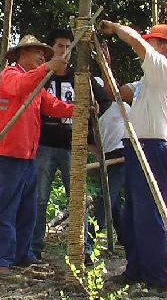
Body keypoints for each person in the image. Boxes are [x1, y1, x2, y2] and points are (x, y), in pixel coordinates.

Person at [100, 21, 167, 298]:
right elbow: (114, 93)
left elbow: (136, 41)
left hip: (153, 149)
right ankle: (135, 271)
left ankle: (160, 281)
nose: (147, 46)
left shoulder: (163, 71)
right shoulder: (145, 82)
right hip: (134, 147)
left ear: (164, 47)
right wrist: (105, 64)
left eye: (153, 41)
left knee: (150, 215)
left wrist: (113, 27)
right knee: (133, 214)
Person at [0, 35, 73, 276]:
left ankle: (22, 253)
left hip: (28, 156)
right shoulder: (11, 75)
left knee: (28, 209)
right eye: (36, 52)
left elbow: (53, 105)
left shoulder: (37, 84)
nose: (41, 57)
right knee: (5, 208)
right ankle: (1, 259)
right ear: (21, 55)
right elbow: (19, 87)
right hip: (9, 155)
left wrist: (79, 109)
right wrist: (47, 67)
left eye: (43, 54)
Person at [31, 29, 110, 261]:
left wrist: (94, 112)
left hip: (72, 147)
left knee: (78, 198)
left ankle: (83, 247)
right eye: (59, 46)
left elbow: (104, 98)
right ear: (51, 49)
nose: (64, 51)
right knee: (40, 198)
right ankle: (35, 247)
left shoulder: (80, 77)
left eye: (67, 47)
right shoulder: (43, 76)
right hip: (44, 145)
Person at [89, 77, 130, 245]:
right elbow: (90, 140)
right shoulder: (92, 113)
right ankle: (123, 235)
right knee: (111, 201)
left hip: (122, 157)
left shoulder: (122, 107)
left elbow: (134, 131)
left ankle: (89, 242)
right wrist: (100, 158)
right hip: (106, 159)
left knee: (105, 198)